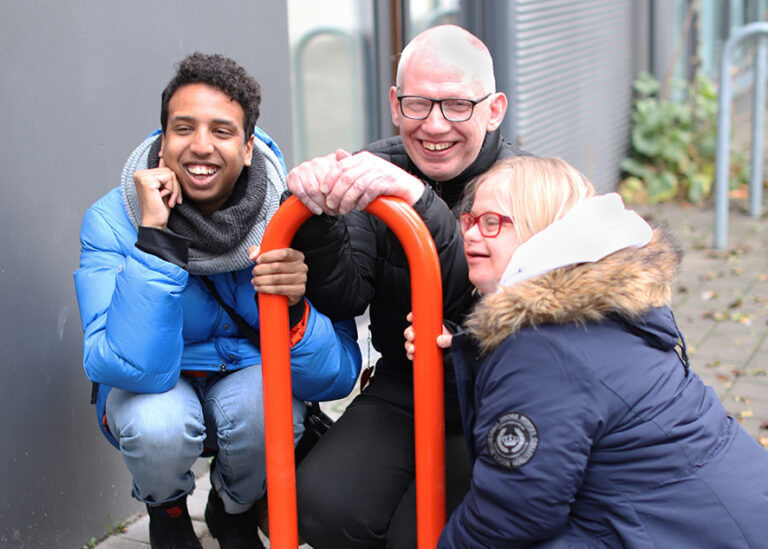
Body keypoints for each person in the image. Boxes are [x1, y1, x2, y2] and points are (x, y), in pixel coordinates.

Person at [73, 52, 361, 549]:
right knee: (157, 425)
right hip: (158, 384)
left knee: (268, 406)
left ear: (249, 147)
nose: (201, 146)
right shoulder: (113, 219)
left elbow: (334, 377)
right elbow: (120, 365)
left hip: (247, 382)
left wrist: (293, 309)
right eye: (183, 128)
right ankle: (165, 509)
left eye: (222, 131)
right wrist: (153, 238)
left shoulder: (292, 218)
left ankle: (233, 507)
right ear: (163, 141)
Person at [405, 156, 768, 548]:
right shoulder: (593, 308)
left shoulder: (540, 348)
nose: (472, 235)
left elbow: (512, 514)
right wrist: (454, 360)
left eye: (492, 222)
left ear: (538, 231)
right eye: (470, 220)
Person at [287, 25, 524, 549]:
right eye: (418, 104)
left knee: (423, 533)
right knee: (323, 505)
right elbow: (345, 296)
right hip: (405, 382)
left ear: (494, 110)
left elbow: (485, 300)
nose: (435, 125)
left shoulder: (525, 185)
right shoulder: (376, 166)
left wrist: (421, 205)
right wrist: (317, 219)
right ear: (395, 105)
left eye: (458, 105)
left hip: (495, 394)